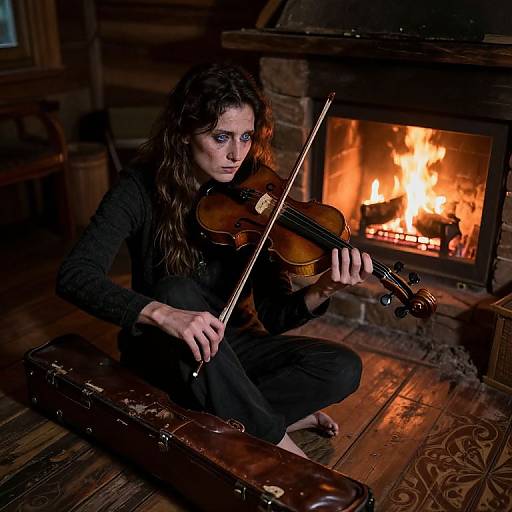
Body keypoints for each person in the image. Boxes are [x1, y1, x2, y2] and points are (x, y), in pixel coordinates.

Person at [57, 62, 373, 459]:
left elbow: (274, 316)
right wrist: (162, 314)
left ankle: (230, 417)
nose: (236, 154)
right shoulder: (138, 188)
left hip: (232, 349)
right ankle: (278, 440)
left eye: (245, 137)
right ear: (186, 132)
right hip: (168, 352)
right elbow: (74, 275)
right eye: (221, 137)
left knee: (341, 366)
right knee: (176, 288)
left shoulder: (256, 193)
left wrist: (324, 287)